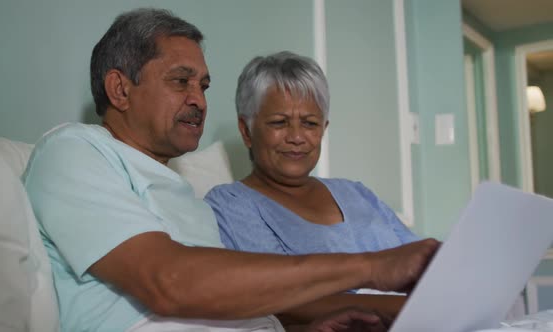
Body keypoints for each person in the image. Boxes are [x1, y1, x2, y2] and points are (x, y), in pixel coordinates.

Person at [22, 8, 439, 332]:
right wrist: (372, 268)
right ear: (120, 89)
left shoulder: (185, 194)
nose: (200, 100)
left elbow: (226, 300)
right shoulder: (74, 150)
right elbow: (169, 282)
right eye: (180, 81)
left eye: (202, 86)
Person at [204, 51, 418, 322]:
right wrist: (412, 309)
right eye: (279, 123)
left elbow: (420, 264)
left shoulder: (357, 193)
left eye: (309, 123)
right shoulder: (231, 203)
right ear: (246, 130)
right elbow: (281, 298)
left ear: (323, 129)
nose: (296, 137)